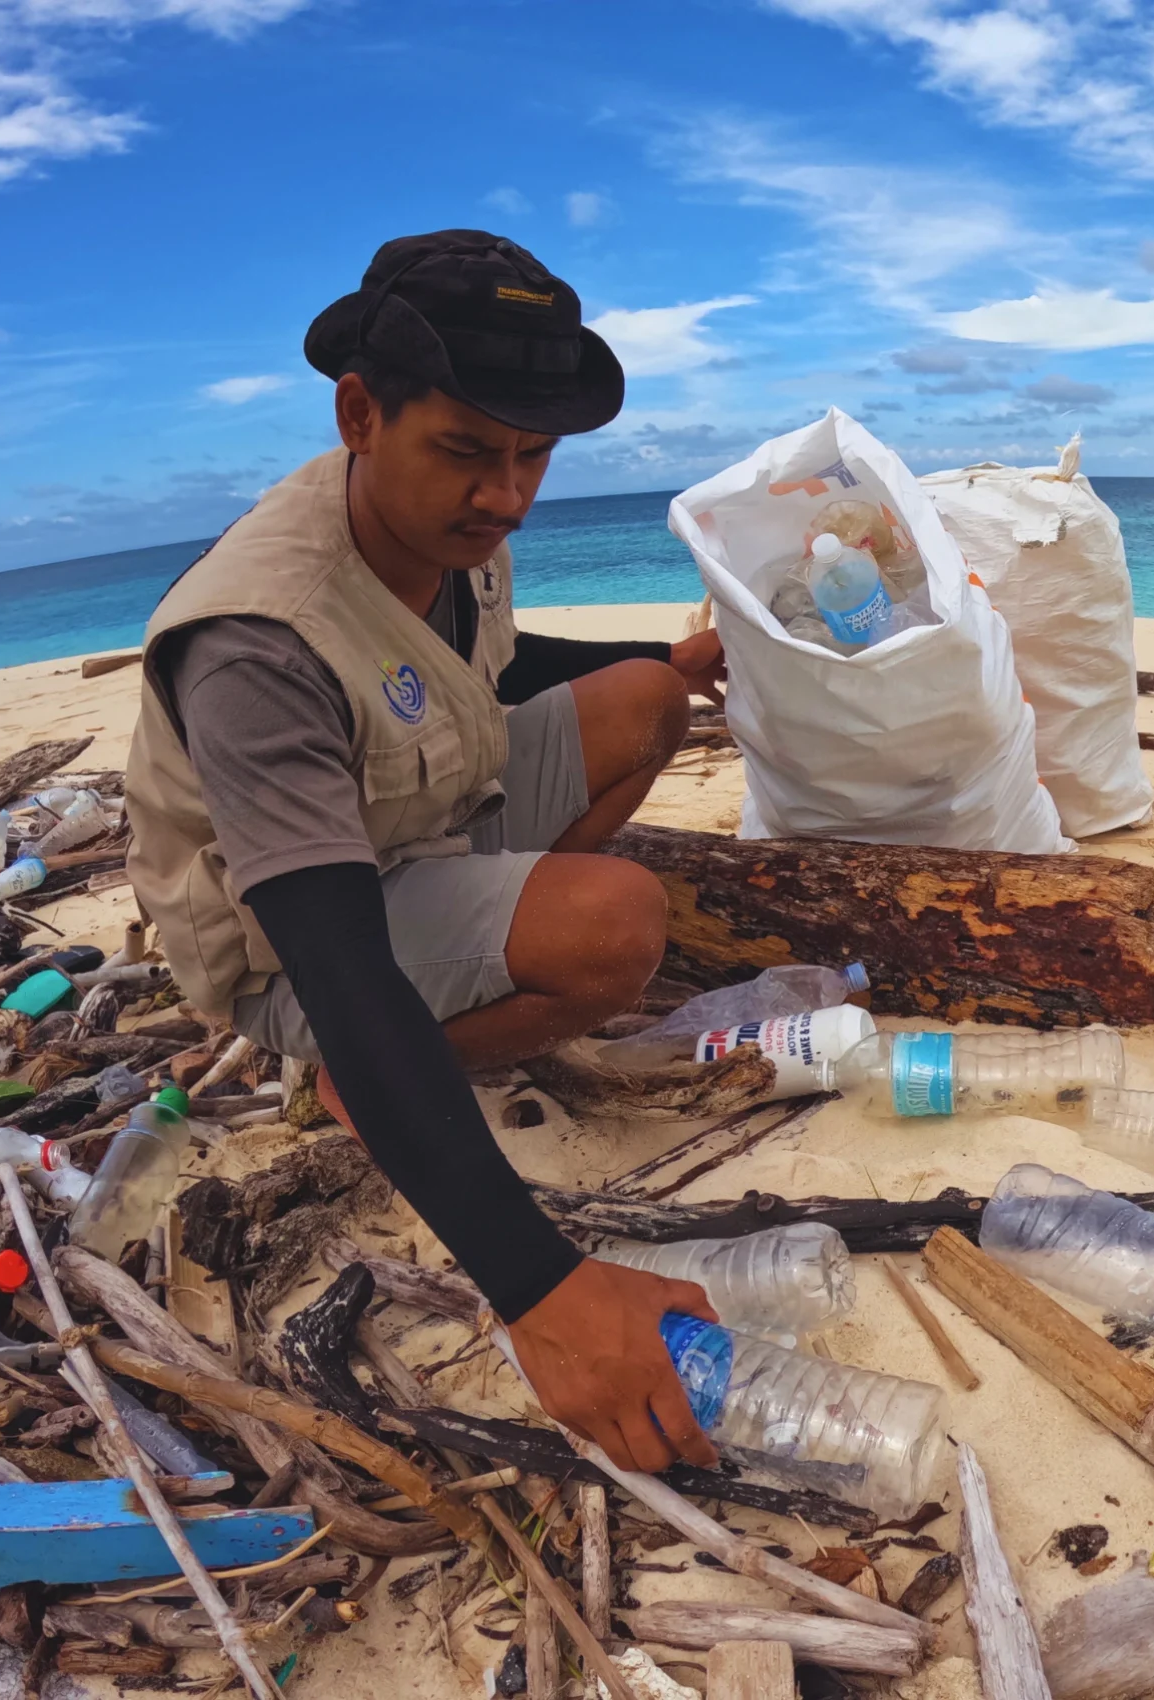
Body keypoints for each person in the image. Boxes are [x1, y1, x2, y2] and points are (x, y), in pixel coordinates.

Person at [126, 231, 728, 1475]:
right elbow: (338, 961)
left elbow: (478, 665)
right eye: (467, 451)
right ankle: (379, 1072)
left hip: (423, 819)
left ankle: (468, 971)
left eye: (532, 456)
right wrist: (539, 1289)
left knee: (645, 703)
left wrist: (669, 666)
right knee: (615, 926)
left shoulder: (449, 524)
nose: (505, 494)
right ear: (359, 413)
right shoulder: (257, 641)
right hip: (292, 945)